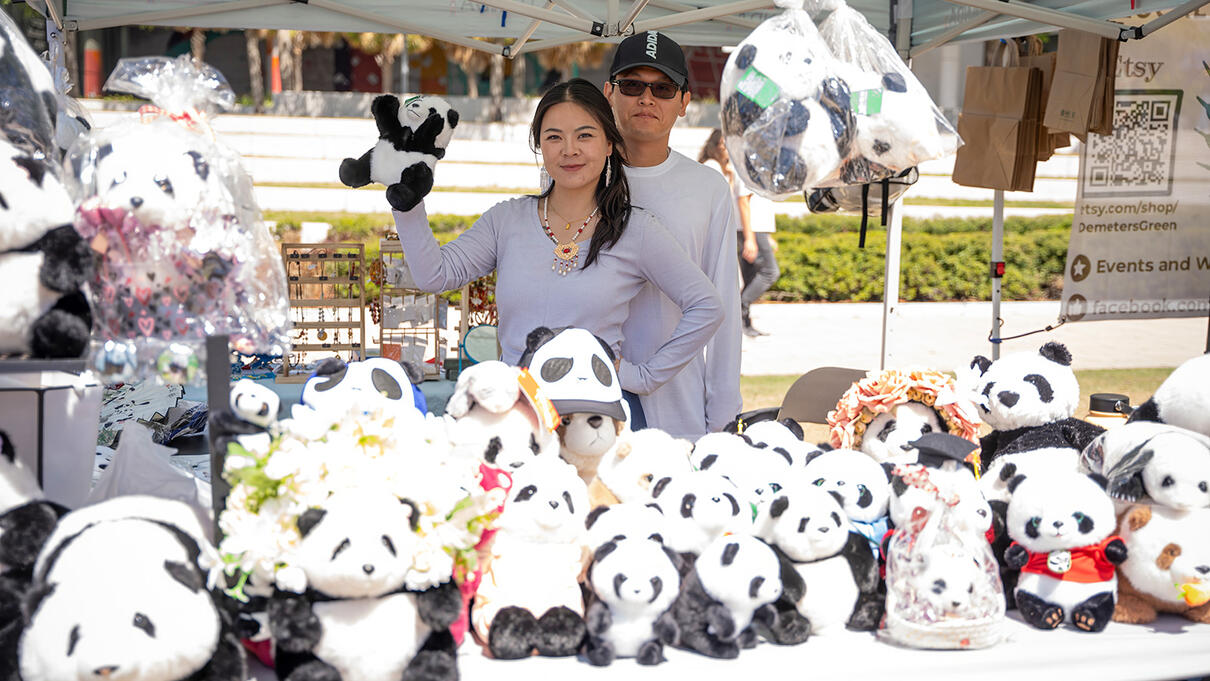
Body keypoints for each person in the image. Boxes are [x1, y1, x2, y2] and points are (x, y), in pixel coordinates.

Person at [391, 79, 723, 408]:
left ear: (609, 144)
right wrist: (407, 203)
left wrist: (643, 377)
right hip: (518, 416)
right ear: (540, 145)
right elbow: (433, 275)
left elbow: (707, 306)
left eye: (585, 135)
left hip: (597, 418)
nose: (569, 150)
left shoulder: (635, 229)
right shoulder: (506, 220)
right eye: (554, 137)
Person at [604, 32, 742, 439]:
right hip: (588, 393)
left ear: (684, 102)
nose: (647, 99)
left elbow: (724, 306)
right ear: (609, 92)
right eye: (632, 85)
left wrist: (721, 413)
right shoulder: (579, 178)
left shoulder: (708, 187)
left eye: (663, 88)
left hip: (679, 402)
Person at [698, 129, 780, 337]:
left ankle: (744, 323)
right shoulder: (746, 166)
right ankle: (737, 310)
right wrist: (751, 239)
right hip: (749, 229)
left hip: (755, 229)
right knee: (770, 272)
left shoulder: (751, 167)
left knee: (751, 275)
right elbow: (743, 202)